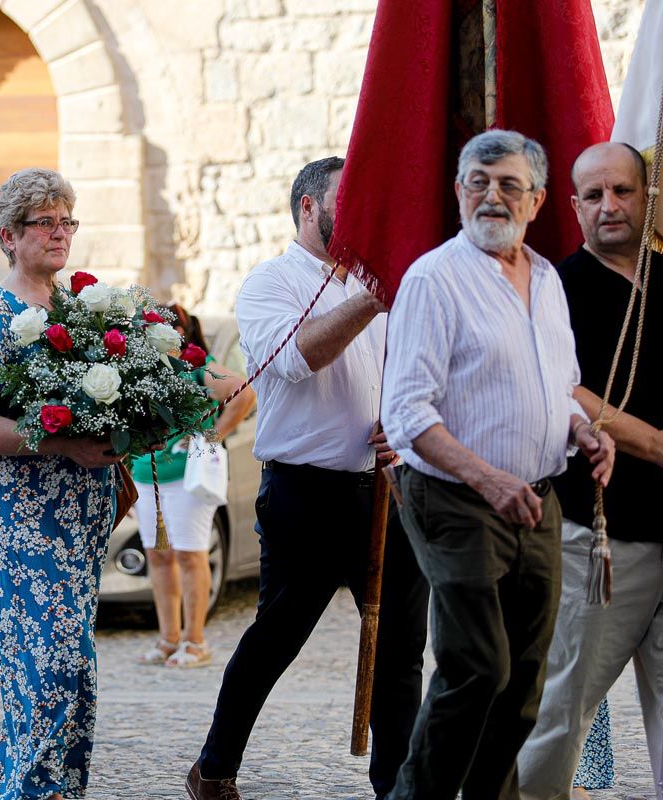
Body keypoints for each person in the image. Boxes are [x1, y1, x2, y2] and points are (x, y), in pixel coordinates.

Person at [186, 157, 430, 800]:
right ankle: (214, 767)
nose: (360, 218)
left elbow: (420, 370)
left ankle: (395, 790)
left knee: (402, 654)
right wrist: (374, 298)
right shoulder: (269, 282)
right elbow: (298, 358)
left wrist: (403, 425)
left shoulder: (393, 283)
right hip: (306, 491)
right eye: (345, 203)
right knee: (277, 638)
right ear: (308, 208)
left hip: (389, 488)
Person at [381, 129, 615, 799]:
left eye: (509, 184)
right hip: (456, 498)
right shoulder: (434, 278)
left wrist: (583, 431)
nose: (491, 196)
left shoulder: (546, 278)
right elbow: (407, 413)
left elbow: (560, 382)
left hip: (537, 499)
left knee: (524, 683)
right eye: (477, 182)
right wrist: (488, 477)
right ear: (458, 191)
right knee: (476, 666)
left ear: (537, 200)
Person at [0, 167, 123, 800]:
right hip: (22, 517)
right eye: (44, 222)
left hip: (78, 516)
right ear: (7, 237)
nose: (59, 232)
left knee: (73, 668)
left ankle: (56, 791)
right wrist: (66, 443)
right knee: (42, 664)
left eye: (66, 220)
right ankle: (22, 791)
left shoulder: (76, 310)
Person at [518, 141, 663, 800]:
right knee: (559, 713)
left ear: (648, 196)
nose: (610, 206)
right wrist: (655, 444)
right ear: (573, 206)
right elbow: (564, 387)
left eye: (624, 191)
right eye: (595, 194)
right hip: (602, 538)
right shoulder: (554, 288)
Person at [132, 303, 254, 669]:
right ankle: (169, 638)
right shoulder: (142, 370)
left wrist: (213, 435)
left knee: (190, 553)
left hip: (188, 476)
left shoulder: (196, 365)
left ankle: (195, 641)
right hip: (146, 474)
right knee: (158, 555)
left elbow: (243, 393)